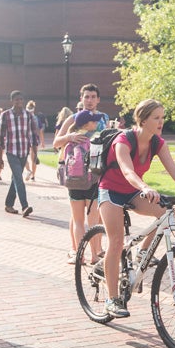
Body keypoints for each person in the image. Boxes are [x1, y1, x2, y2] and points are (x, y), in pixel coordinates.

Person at [97, 99, 175, 318]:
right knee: (116, 240)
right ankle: (111, 300)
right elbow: (128, 171)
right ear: (142, 119)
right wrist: (145, 186)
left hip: (133, 191)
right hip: (111, 190)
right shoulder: (123, 140)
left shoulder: (158, 143)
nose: (161, 122)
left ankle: (142, 254)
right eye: (156, 118)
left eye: (162, 117)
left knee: (164, 212)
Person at [53, 84, 109, 263]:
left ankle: (92, 252)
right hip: (81, 176)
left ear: (98, 99)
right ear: (81, 99)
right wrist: (70, 137)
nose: (90, 100)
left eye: (93, 97)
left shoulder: (104, 119)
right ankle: (84, 253)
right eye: (87, 97)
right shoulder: (73, 119)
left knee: (91, 218)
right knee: (88, 219)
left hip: (94, 175)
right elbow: (56, 142)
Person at [0, 90, 40, 217]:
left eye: (21, 99)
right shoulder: (5, 115)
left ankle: (8, 204)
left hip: (23, 152)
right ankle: (25, 206)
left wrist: (35, 155)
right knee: (19, 179)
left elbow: (33, 136)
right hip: (11, 152)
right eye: (17, 99)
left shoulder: (29, 116)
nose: (19, 102)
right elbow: (1, 138)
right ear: (12, 101)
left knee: (15, 179)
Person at [24, 100, 43, 181]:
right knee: (34, 158)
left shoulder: (24, 118)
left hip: (25, 139)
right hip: (34, 139)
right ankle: (33, 176)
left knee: (24, 157)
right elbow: (40, 131)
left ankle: (28, 170)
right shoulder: (36, 118)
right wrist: (42, 141)